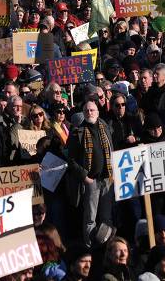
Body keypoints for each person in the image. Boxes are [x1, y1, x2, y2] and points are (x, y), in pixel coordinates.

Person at [66, 100, 114, 246]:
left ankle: (107, 243)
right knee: (90, 217)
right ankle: (90, 246)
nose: (89, 113)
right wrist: (84, 176)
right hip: (91, 180)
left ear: (98, 112)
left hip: (107, 178)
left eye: (92, 110)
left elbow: (112, 149)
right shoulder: (77, 132)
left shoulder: (105, 127)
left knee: (107, 216)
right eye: (86, 111)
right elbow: (71, 160)